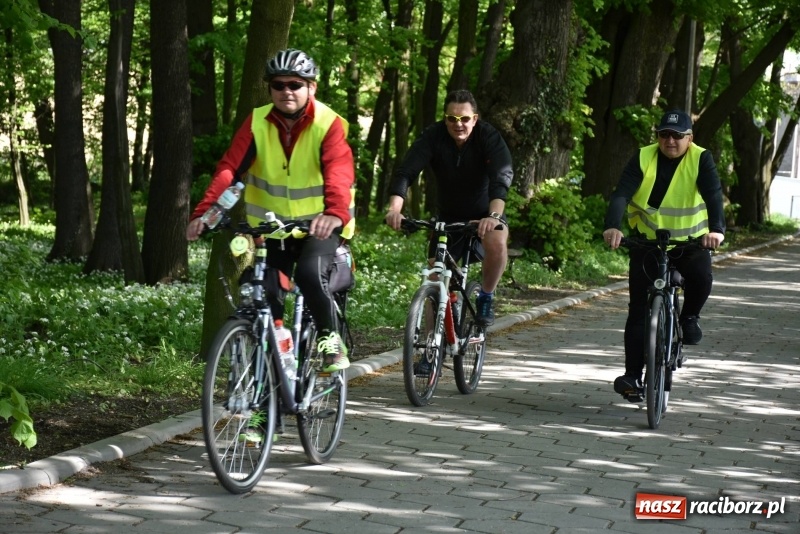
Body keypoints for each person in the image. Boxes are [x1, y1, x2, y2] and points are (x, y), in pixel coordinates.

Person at [187, 48, 355, 372]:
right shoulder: (257, 122)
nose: (286, 91)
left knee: (309, 275)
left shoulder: (328, 124)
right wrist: (204, 214)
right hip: (272, 228)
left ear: (311, 87)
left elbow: (338, 173)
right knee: (261, 291)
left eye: (295, 84)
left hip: (318, 227)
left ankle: (330, 341)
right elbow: (230, 170)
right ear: (270, 89)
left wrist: (334, 213)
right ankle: (270, 378)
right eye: (278, 85)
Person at [603, 109, 725, 402]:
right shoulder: (643, 157)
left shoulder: (700, 158)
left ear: (689, 138)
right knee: (637, 312)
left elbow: (713, 195)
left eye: (677, 135)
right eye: (664, 135)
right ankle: (633, 376)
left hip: (691, 242)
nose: (670, 140)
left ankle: (690, 317)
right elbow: (622, 194)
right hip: (648, 243)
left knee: (702, 277)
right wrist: (612, 227)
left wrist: (717, 230)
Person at [385, 89, 513, 326]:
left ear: (475, 119)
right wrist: (394, 209)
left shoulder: (488, 137)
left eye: (464, 118)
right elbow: (407, 171)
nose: (458, 124)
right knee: (435, 281)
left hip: (486, 213)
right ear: (445, 119)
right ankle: (428, 355)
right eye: (452, 119)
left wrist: (494, 215)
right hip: (448, 216)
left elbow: (501, 177)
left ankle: (486, 295)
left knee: (497, 241)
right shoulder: (433, 136)